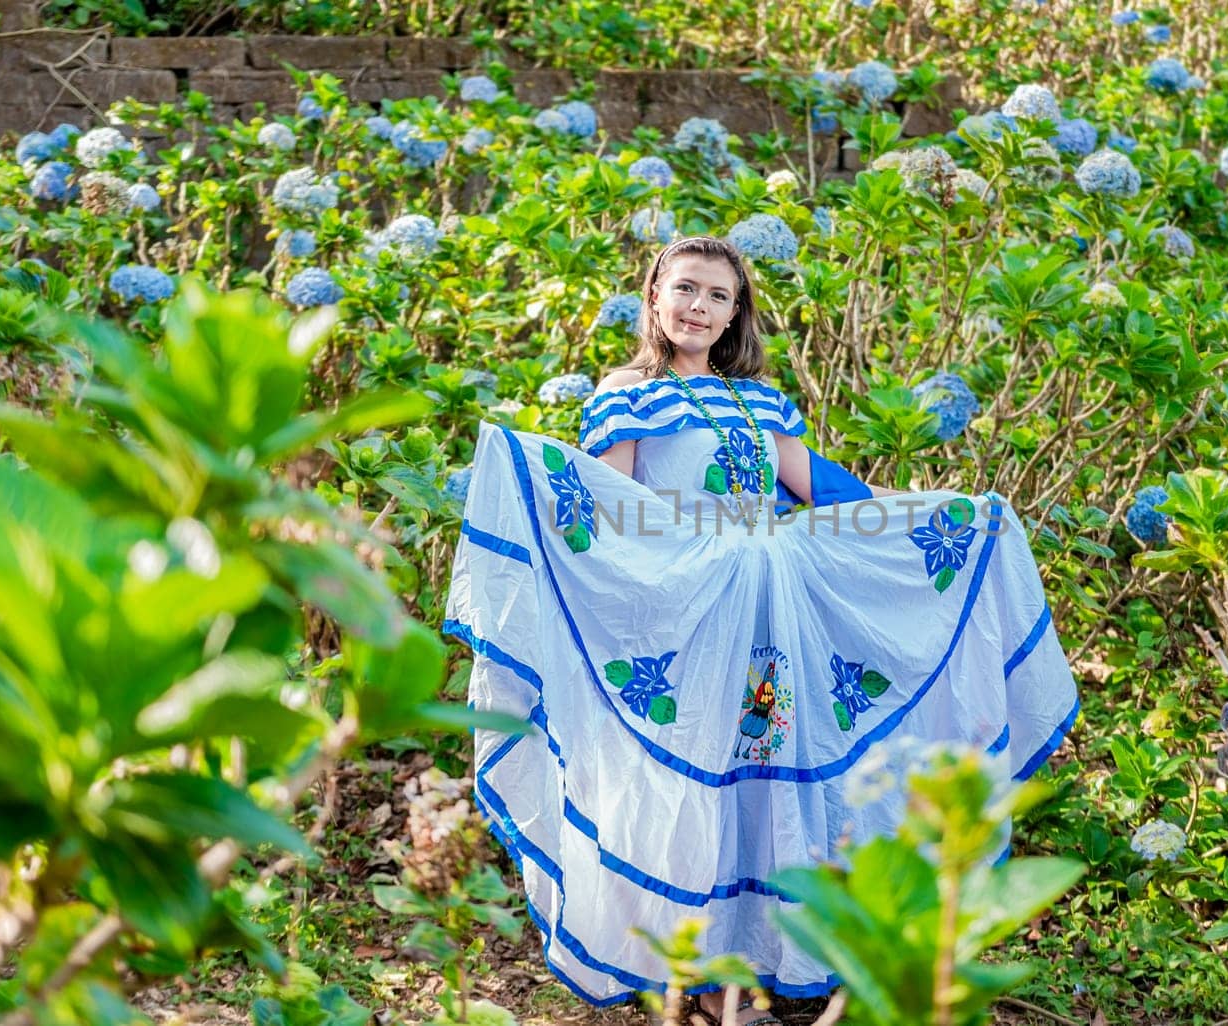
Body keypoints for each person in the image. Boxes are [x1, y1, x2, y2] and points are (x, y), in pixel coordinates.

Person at [444, 235, 1078, 1024]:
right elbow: (613, 516)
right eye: (684, 289)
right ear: (653, 296)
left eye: (717, 295)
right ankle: (703, 983)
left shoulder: (759, 401)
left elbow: (818, 487)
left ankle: (763, 961)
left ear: (735, 312)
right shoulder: (626, 393)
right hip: (688, 616)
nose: (697, 307)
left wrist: (922, 515)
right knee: (697, 778)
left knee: (761, 781)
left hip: (771, 620)